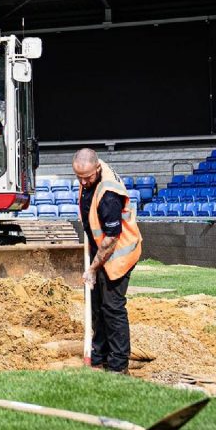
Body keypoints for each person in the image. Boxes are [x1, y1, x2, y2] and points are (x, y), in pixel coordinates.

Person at [72, 148, 143, 375]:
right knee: (97, 304)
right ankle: (99, 355)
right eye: (79, 177)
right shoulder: (90, 170)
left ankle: (119, 365)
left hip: (118, 253)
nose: (84, 181)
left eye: (88, 177)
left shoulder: (108, 195)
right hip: (100, 250)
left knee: (112, 308)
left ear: (98, 169)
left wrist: (92, 269)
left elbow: (111, 239)